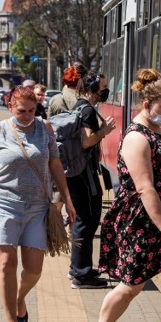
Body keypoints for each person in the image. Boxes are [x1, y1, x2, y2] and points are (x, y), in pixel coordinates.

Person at [87, 69, 161, 322]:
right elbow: (145, 188)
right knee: (132, 286)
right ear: (147, 105)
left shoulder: (159, 129)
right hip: (144, 222)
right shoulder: (136, 138)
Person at [0, 86, 76, 322]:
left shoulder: (45, 129)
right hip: (4, 205)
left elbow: (55, 165)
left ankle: (19, 299)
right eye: (21, 110)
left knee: (34, 269)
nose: (28, 115)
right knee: (7, 262)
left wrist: (67, 199)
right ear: (10, 105)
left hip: (37, 208)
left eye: (31, 110)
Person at [68, 70, 116, 289]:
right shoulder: (86, 110)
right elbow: (87, 142)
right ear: (94, 88)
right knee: (86, 221)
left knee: (85, 220)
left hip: (79, 173)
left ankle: (81, 268)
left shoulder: (79, 106)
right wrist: (104, 130)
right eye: (103, 87)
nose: (105, 91)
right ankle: (80, 273)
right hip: (83, 175)